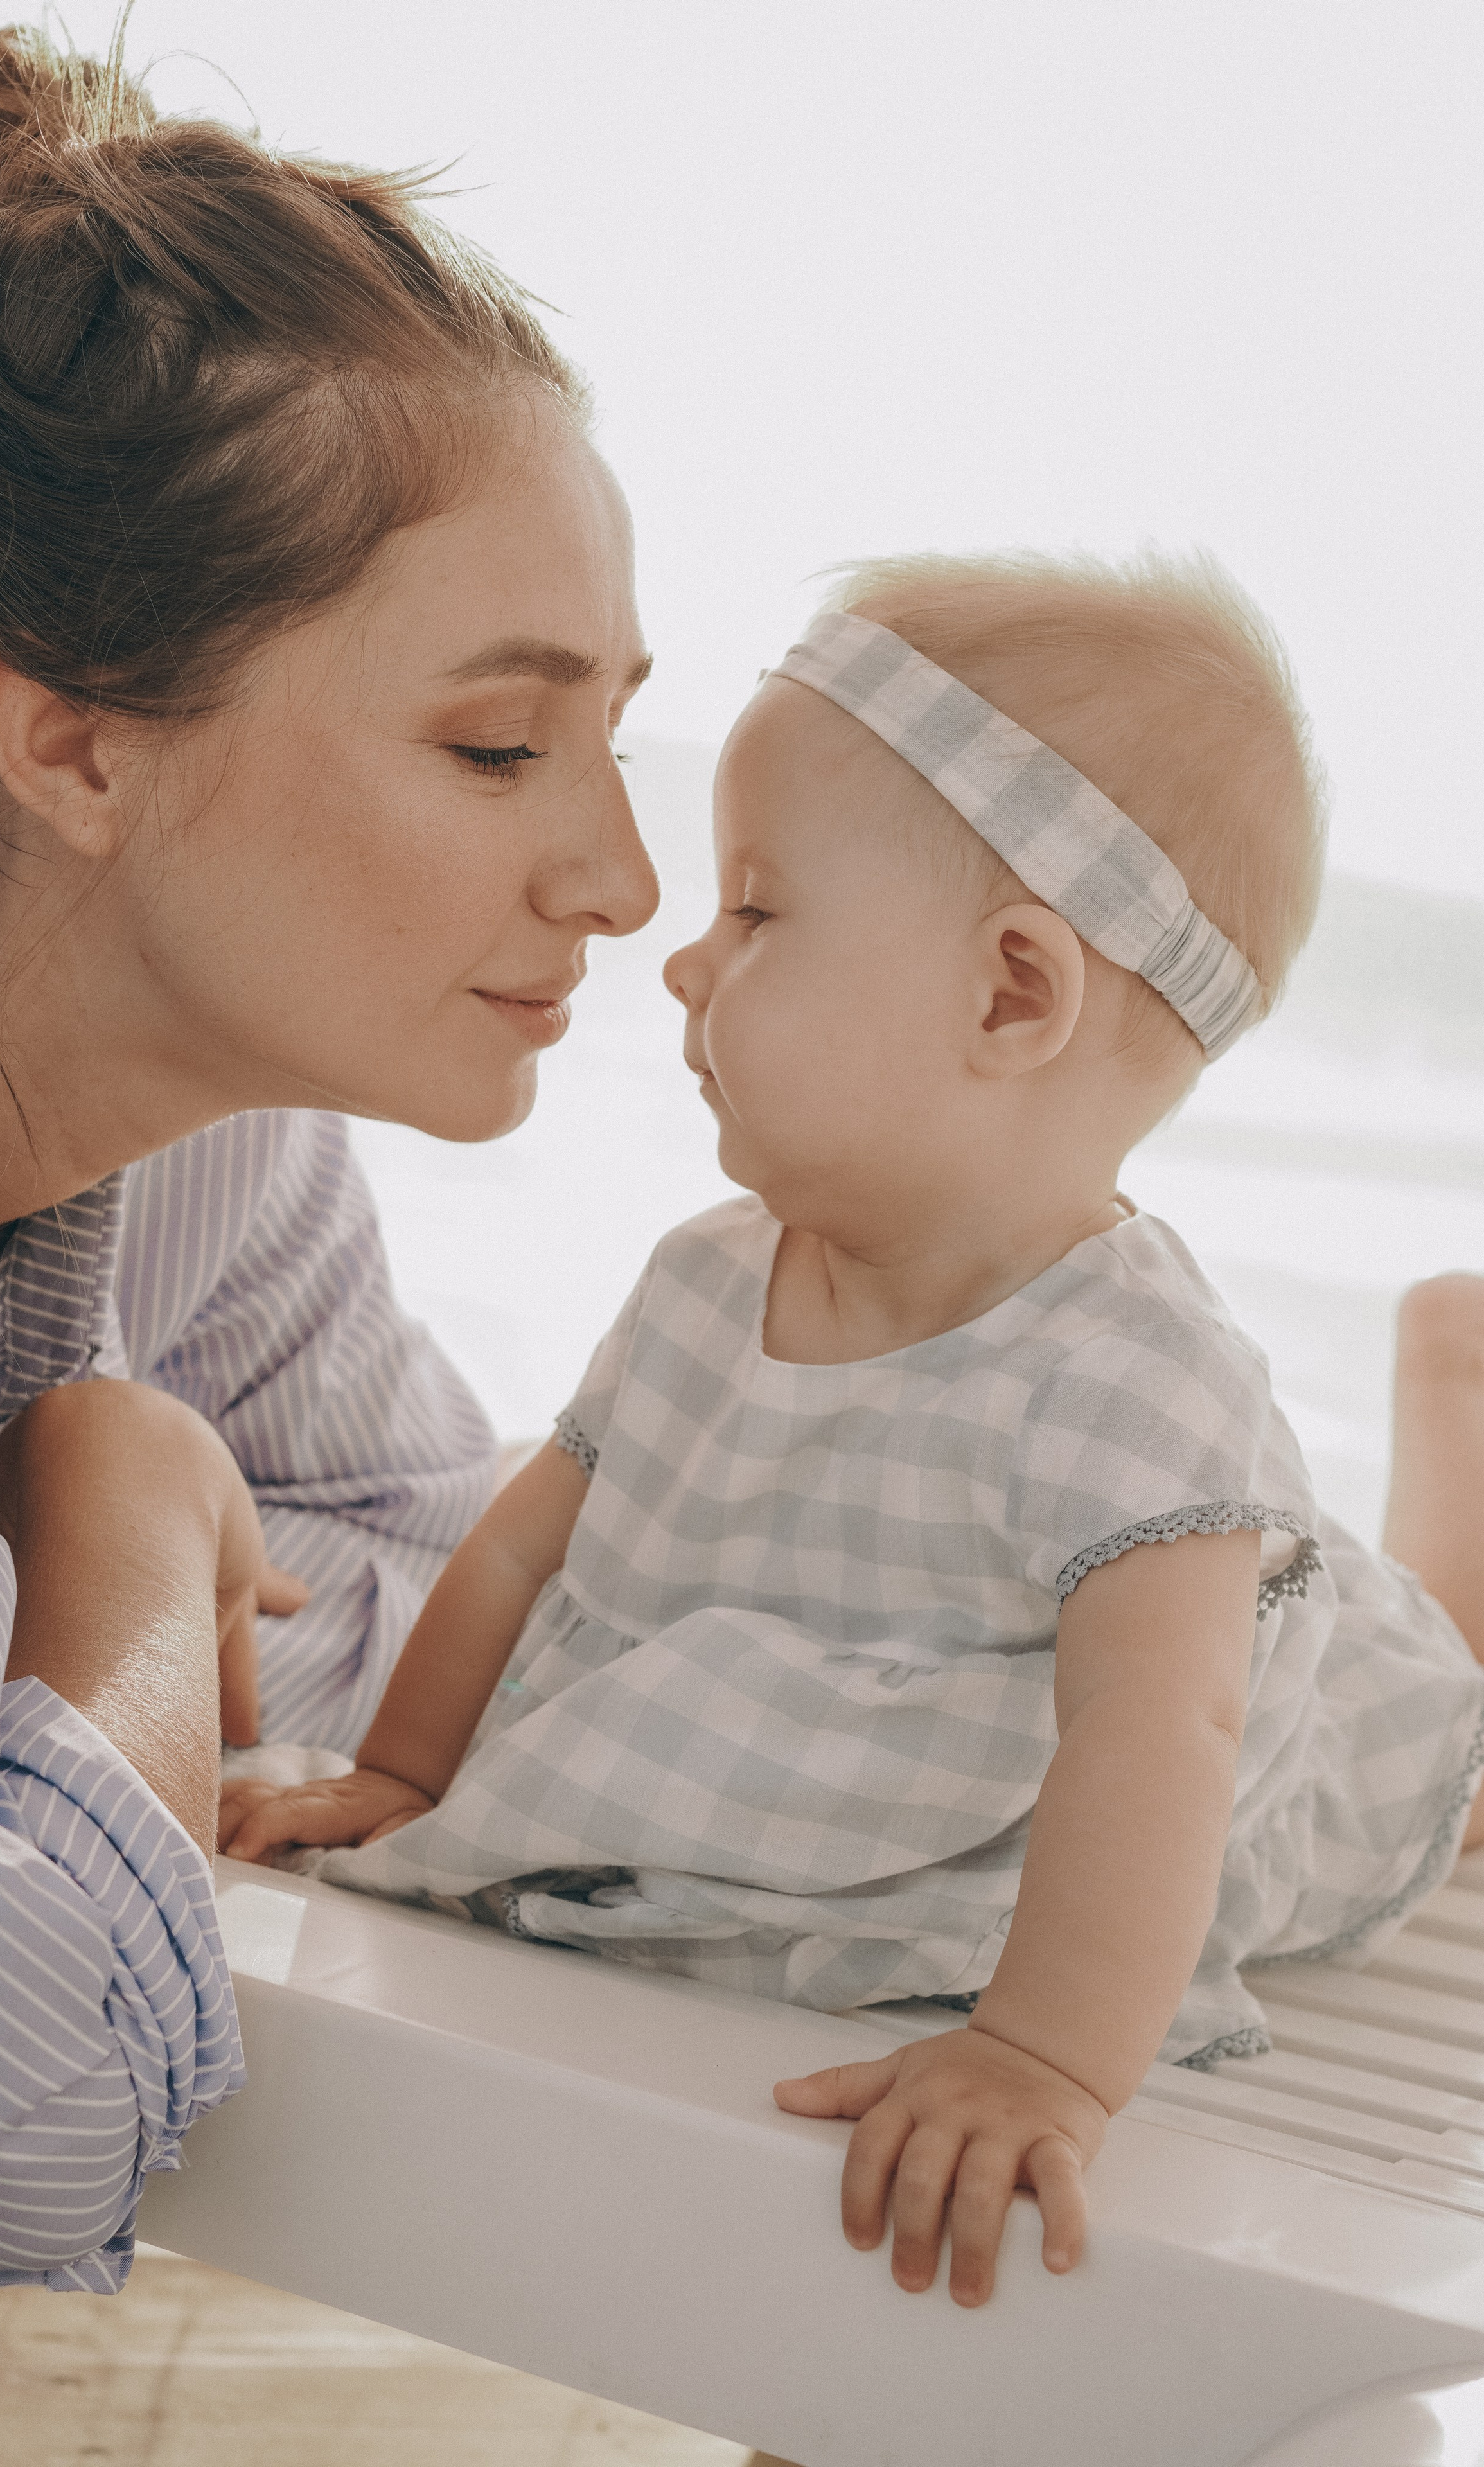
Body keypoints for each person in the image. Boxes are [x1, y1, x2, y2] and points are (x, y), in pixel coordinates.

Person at [220, 549, 1484, 2310]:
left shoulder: (1138, 1382)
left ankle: (1458, 1436)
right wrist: (411, 1779)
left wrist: (1042, 2053)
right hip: (933, 1727)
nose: (684, 958)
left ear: (1012, 994)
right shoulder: (705, 1277)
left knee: (1443, 1760)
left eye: (756, 910)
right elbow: (524, 1544)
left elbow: (1167, 1732)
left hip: (1232, 1764)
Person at [0, 26, 655, 2289]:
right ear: (75, 742)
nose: (625, 880)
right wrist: (111, 1511)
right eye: (496, 747)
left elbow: (486, 1619)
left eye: (614, 734)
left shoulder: (204, 1136)